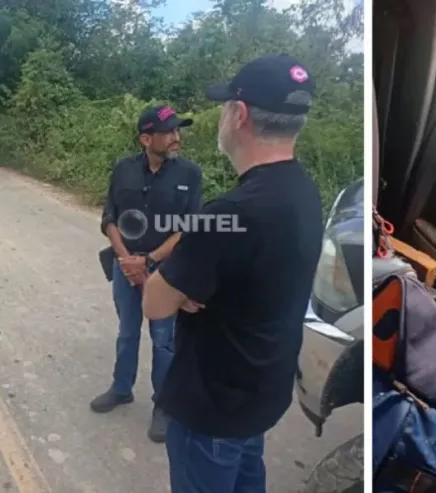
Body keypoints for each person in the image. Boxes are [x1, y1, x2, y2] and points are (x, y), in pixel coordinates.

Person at [142, 54, 323, 492]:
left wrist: (184, 288)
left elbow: (154, 301)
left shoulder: (229, 213)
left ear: (238, 115)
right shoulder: (305, 192)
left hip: (212, 407)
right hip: (260, 395)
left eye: (225, 107)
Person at [91, 104, 203, 443]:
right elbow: (109, 217)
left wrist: (149, 260)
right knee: (127, 333)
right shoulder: (123, 169)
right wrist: (127, 261)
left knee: (164, 341)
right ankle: (122, 388)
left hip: (166, 273)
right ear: (145, 138)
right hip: (125, 268)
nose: (175, 137)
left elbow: (189, 227)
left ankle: (164, 405)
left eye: (177, 131)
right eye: (168, 131)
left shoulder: (189, 174)